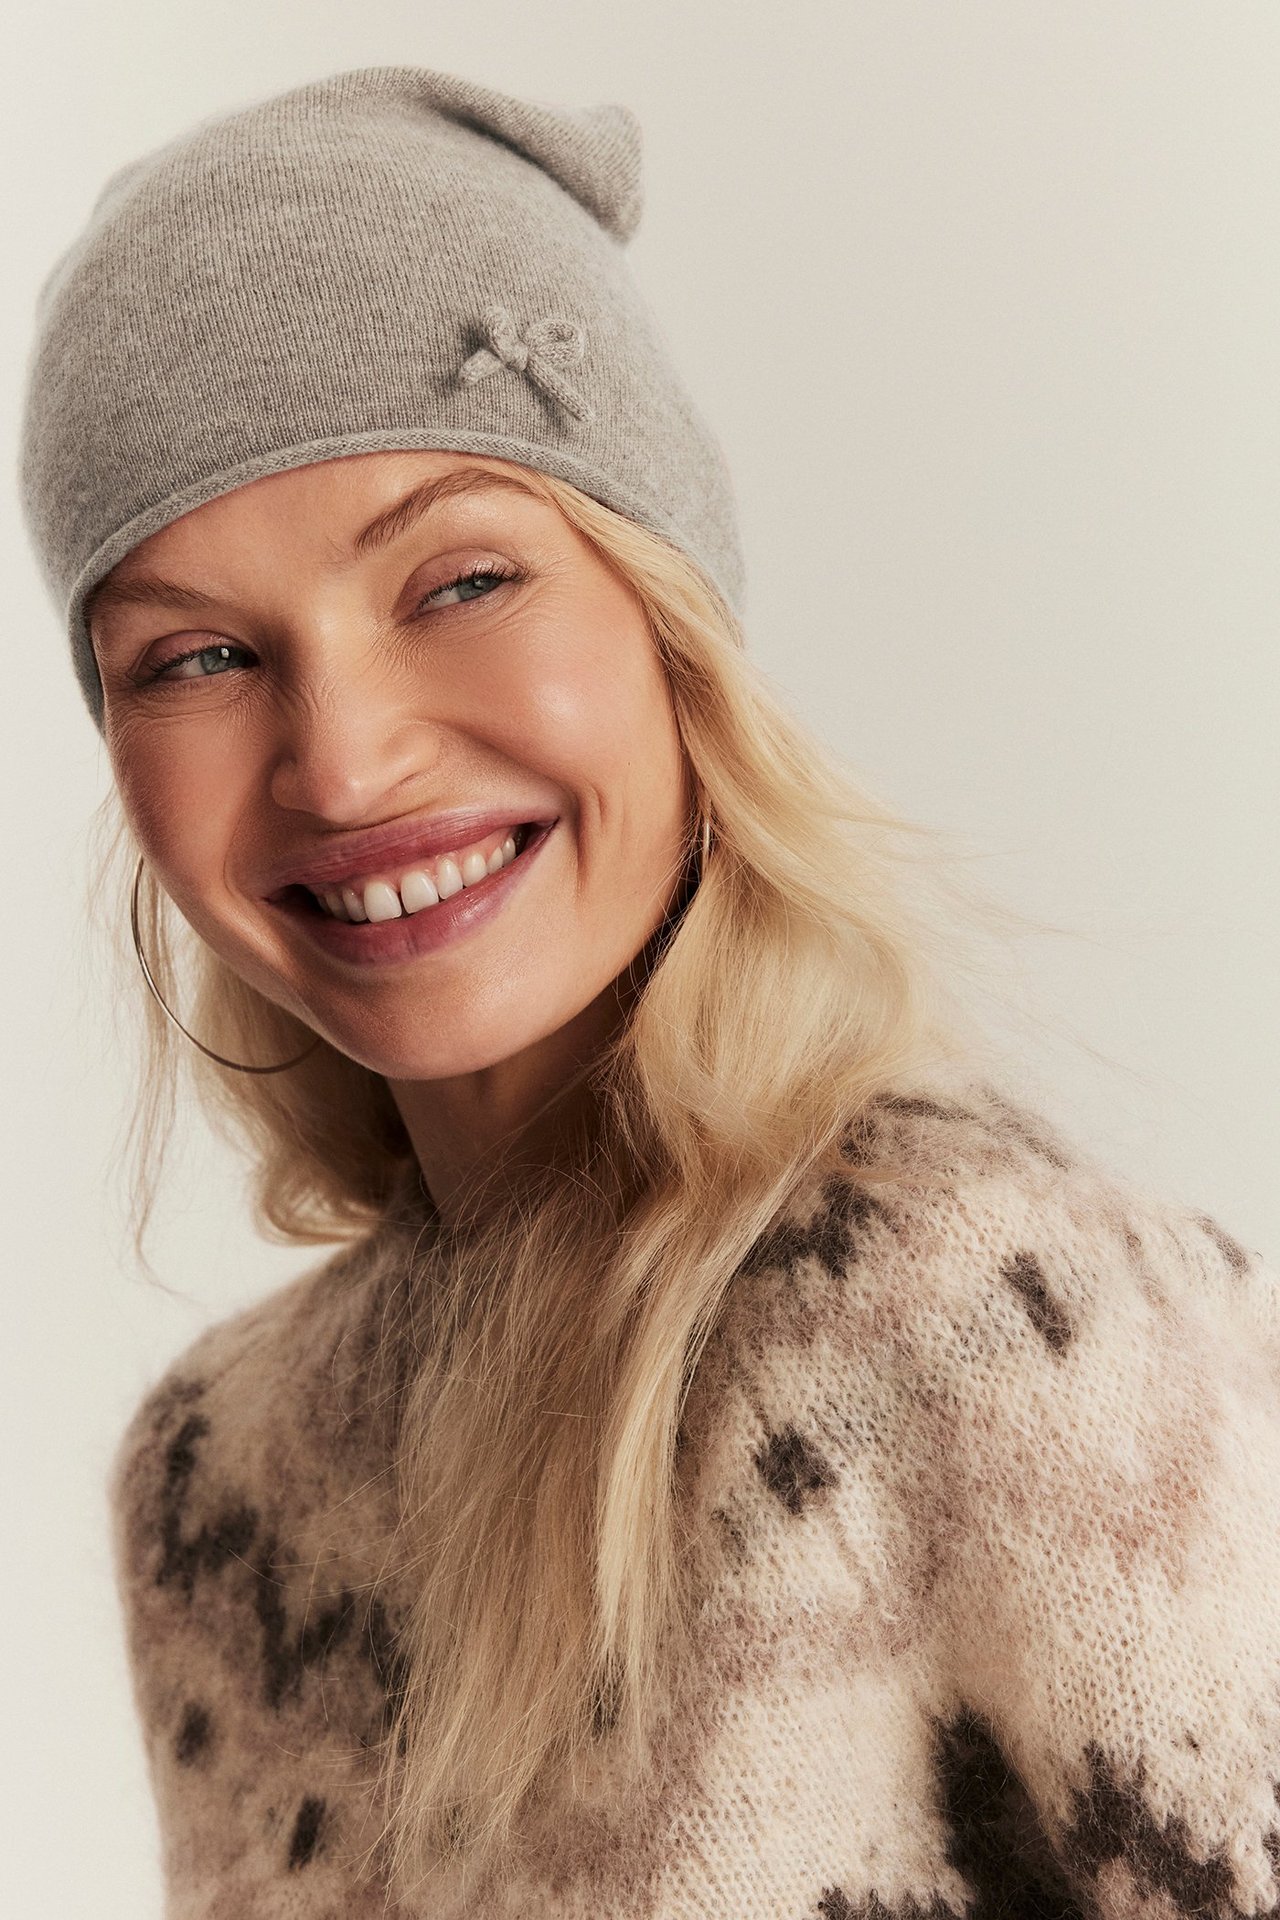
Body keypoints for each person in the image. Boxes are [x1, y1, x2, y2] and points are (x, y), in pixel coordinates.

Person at [17, 62, 1280, 1920]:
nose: (345, 765)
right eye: (196, 657)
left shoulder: (990, 1322)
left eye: (460, 581)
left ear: (667, 620)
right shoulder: (211, 1486)